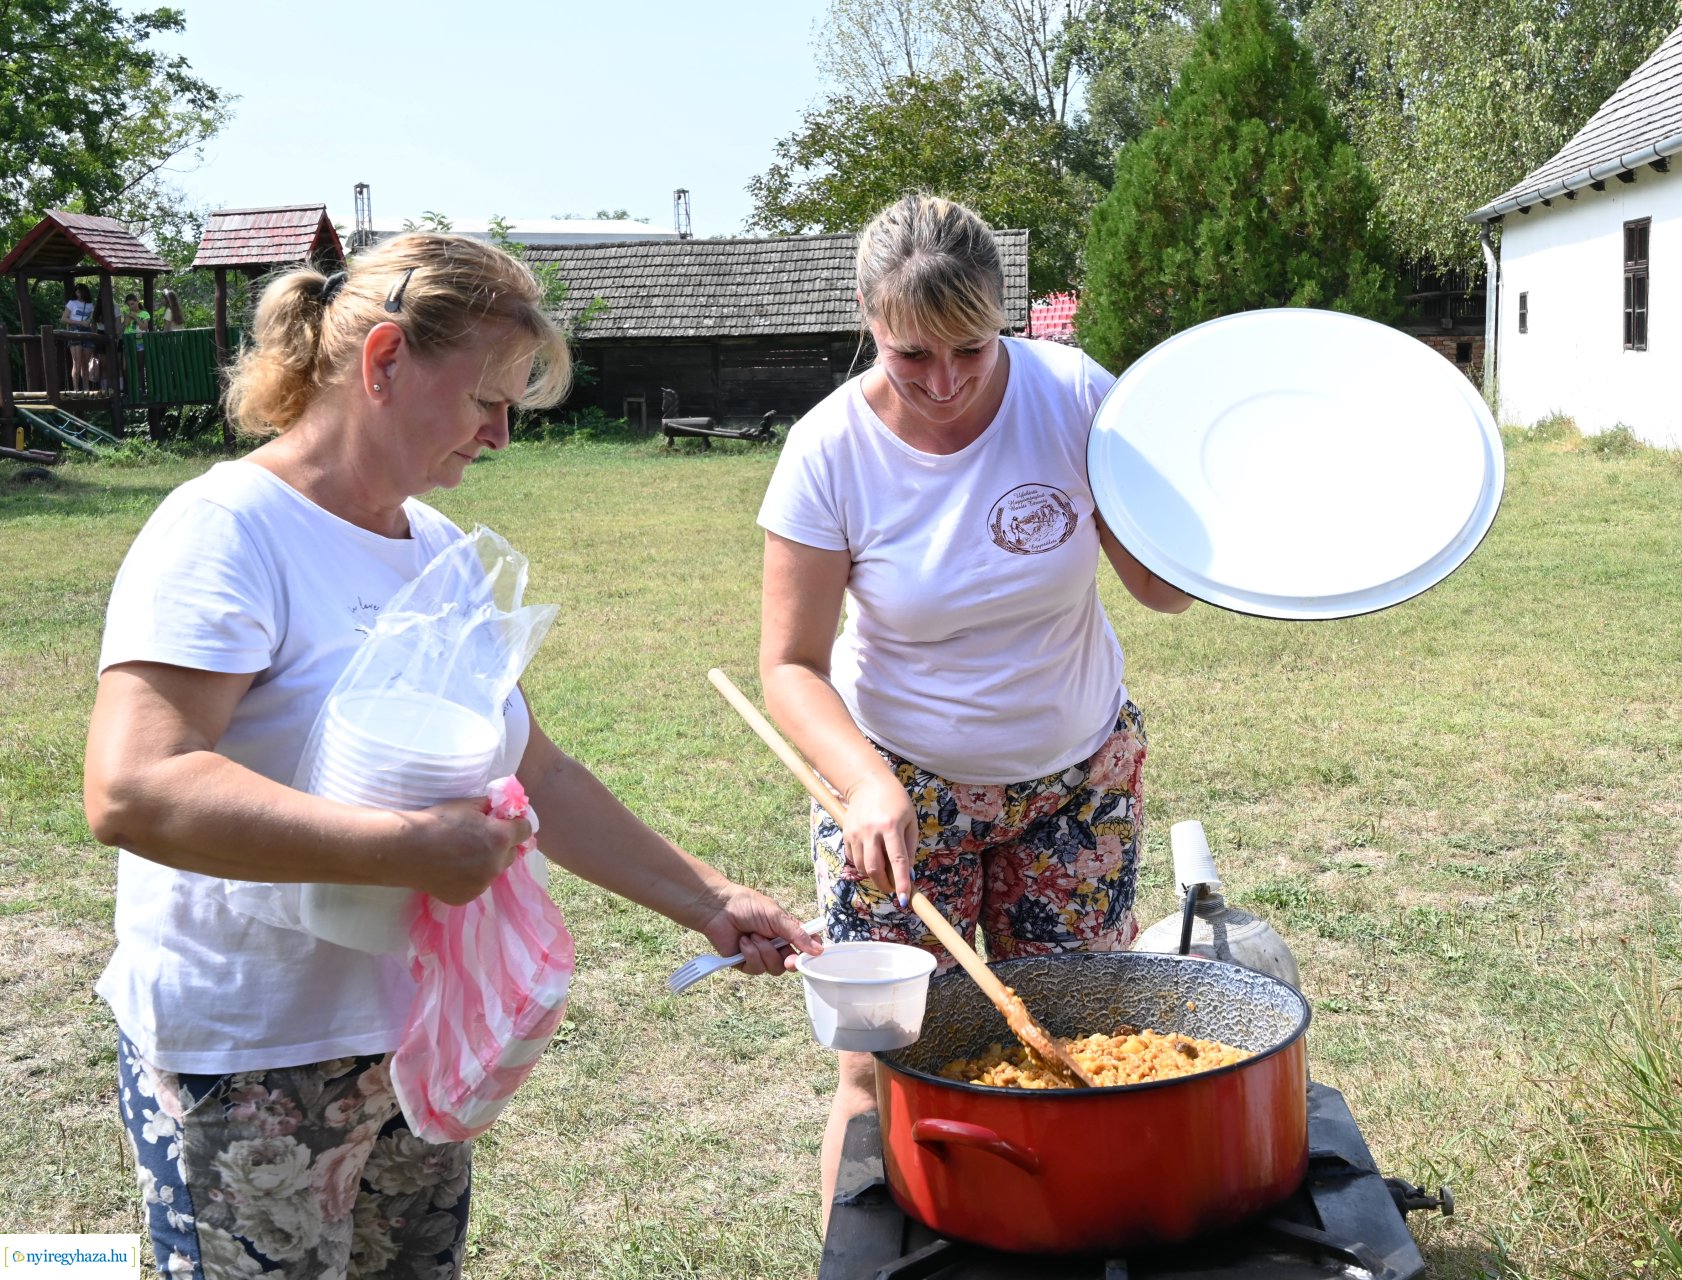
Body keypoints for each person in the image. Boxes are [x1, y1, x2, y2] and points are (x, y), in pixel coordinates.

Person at [83, 233, 820, 1280]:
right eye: (487, 401)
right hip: (248, 1060)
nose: (503, 437)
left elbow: (540, 771)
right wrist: (405, 847)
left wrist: (709, 896)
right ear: (383, 362)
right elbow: (135, 784)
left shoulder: (433, 549)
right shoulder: (224, 531)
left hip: (410, 1043)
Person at [755, 193, 1193, 1216]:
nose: (946, 382)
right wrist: (864, 783)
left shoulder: (1075, 394)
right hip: (899, 802)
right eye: (913, 355)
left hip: (1075, 785)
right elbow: (789, 664)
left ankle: (1060, 1243)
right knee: (881, 1068)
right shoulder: (829, 453)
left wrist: (1203, 504)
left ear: (1008, 317)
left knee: (1078, 1043)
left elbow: (1162, 587)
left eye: (971, 347)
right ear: (870, 318)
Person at [62, 283, 96, 390]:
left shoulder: (91, 305)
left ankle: (86, 390)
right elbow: (63, 318)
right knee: (76, 363)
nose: (78, 292)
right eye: (76, 290)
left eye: (79, 290)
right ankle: (76, 390)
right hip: (75, 330)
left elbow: (93, 321)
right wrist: (80, 323)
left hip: (88, 331)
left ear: (84, 291)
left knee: (84, 364)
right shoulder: (71, 303)